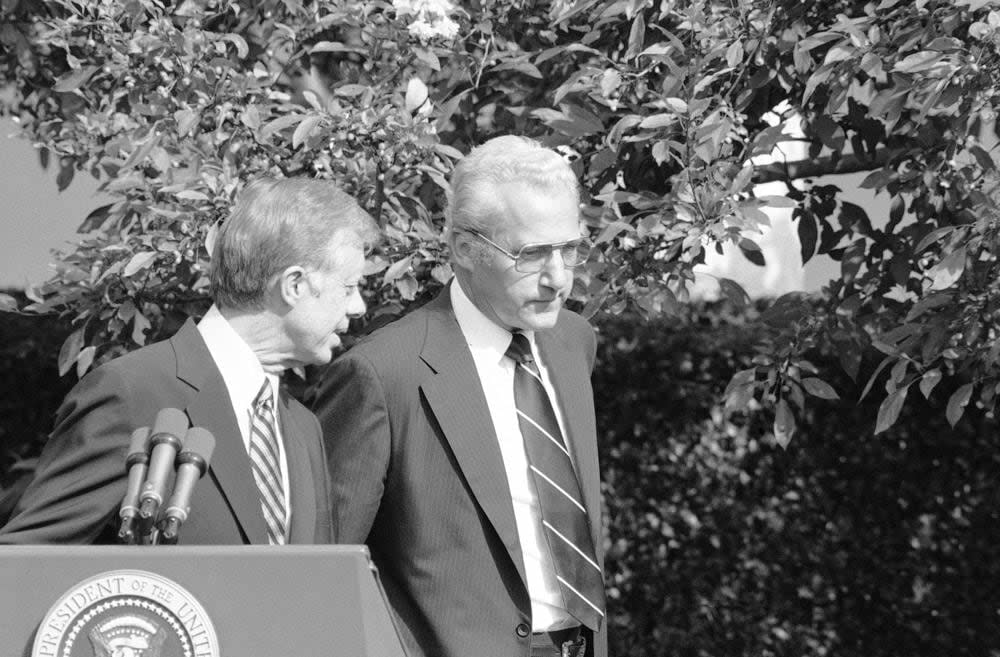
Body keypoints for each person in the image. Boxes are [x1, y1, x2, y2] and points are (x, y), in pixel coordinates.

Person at [312, 136, 607, 657]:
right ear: (464, 249)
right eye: (532, 254)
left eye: (570, 249)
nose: (558, 278)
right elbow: (327, 570)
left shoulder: (572, 342)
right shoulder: (381, 375)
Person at [0, 177, 378, 545]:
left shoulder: (302, 425)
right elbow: (28, 565)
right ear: (293, 285)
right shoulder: (131, 393)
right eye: (349, 287)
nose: (359, 307)